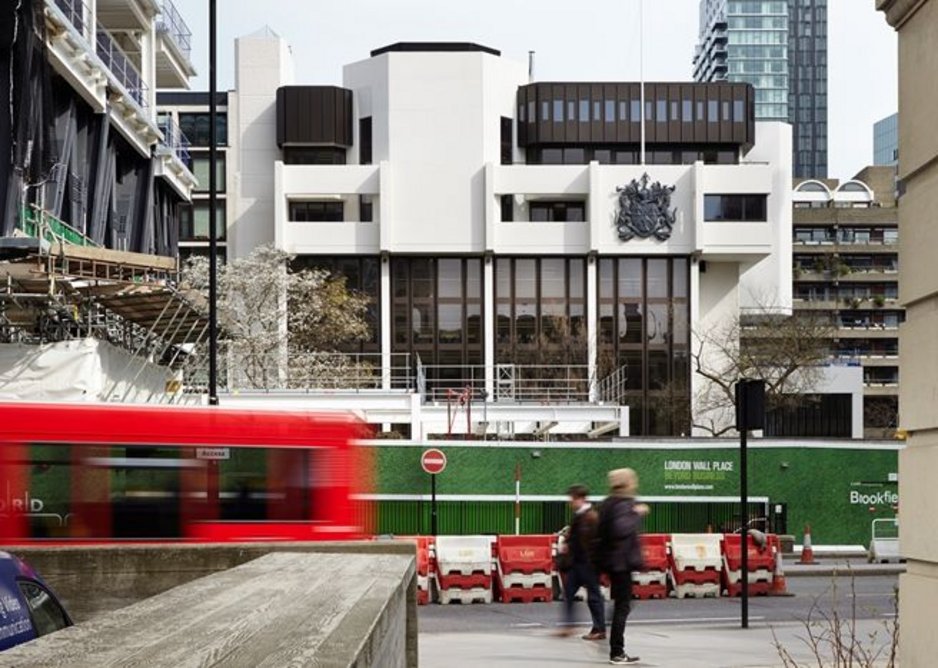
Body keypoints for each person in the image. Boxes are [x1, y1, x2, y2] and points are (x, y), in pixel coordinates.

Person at [597, 468, 649, 665]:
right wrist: (637, 513)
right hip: (621, 562)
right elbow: (621, 529)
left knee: (623, 604)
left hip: (612, 561)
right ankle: (617, 652)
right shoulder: (623, 504)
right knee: (623, 605)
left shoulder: (608, 503)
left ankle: (615, 640)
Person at [555, 484, 606, 640]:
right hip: (577, 563)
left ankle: (599, 629)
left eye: (572, 499)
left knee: (593, 597)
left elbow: (597, 541)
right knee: (568, 593)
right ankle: (569, 626)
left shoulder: (591, 516)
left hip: (588, 563)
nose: (570, 502)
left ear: (581, 499)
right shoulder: (579, 515)